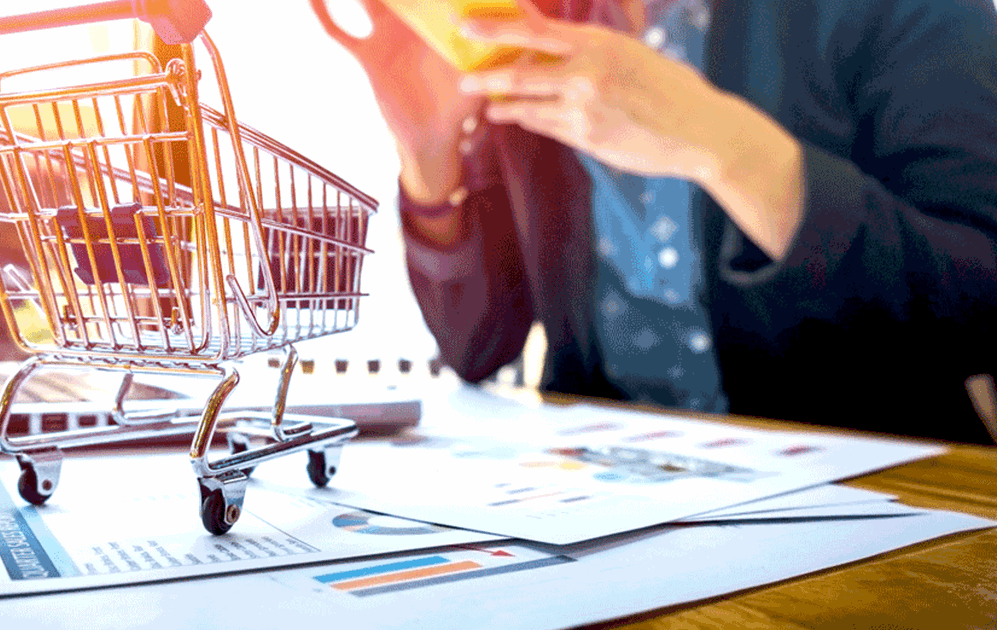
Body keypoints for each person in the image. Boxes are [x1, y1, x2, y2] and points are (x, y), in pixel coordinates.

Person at [310, 0, 997, 444]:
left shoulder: (907, 14)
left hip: (872, 499)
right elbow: (479, 346)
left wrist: (724, 145)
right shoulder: (537, 25)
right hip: (615, 498)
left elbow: (979, 304)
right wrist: (430, 156)